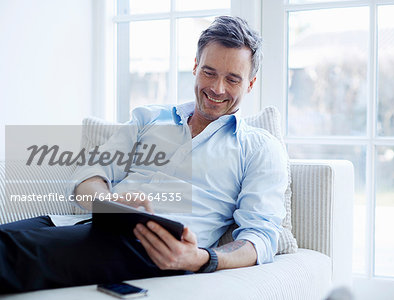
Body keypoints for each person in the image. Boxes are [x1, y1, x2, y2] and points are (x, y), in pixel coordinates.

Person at [0, 16, 288, 293]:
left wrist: (203, 258)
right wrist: (107, 201)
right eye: (209, 72)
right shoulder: (149, 118)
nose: (216, 88)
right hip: (84, 225)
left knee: (8, 251)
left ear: (250, 83)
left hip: (150, 250)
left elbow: (260, 237)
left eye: (233, 79)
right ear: (195, 67)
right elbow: (88, 174)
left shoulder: (260, 148)